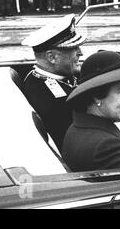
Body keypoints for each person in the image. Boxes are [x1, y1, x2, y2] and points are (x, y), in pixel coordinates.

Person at [22, 14, 86, 151]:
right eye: (73, 48)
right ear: (51, 57)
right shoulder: (51, 101)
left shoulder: (42, 77)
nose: (80, 53)